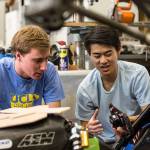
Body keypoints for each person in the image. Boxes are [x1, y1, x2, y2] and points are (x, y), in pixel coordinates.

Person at [75, 25, 150, 149]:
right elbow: (84, 130)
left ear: (118, 50)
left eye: (108, 54)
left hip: (135, 138)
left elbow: (147, 117)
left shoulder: (137, 74)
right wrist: (88, 128)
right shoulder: (85, 89)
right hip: (102, 144)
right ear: (90, 55)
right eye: (97, 56)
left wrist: (127, 122)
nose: (103, 61)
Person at [0, 25, 64, 110]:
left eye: (47, 58)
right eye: (38, 60)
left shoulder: (49, 70)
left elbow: (54, 115)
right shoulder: (1, 71)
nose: (44, 67)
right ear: (18, 55)